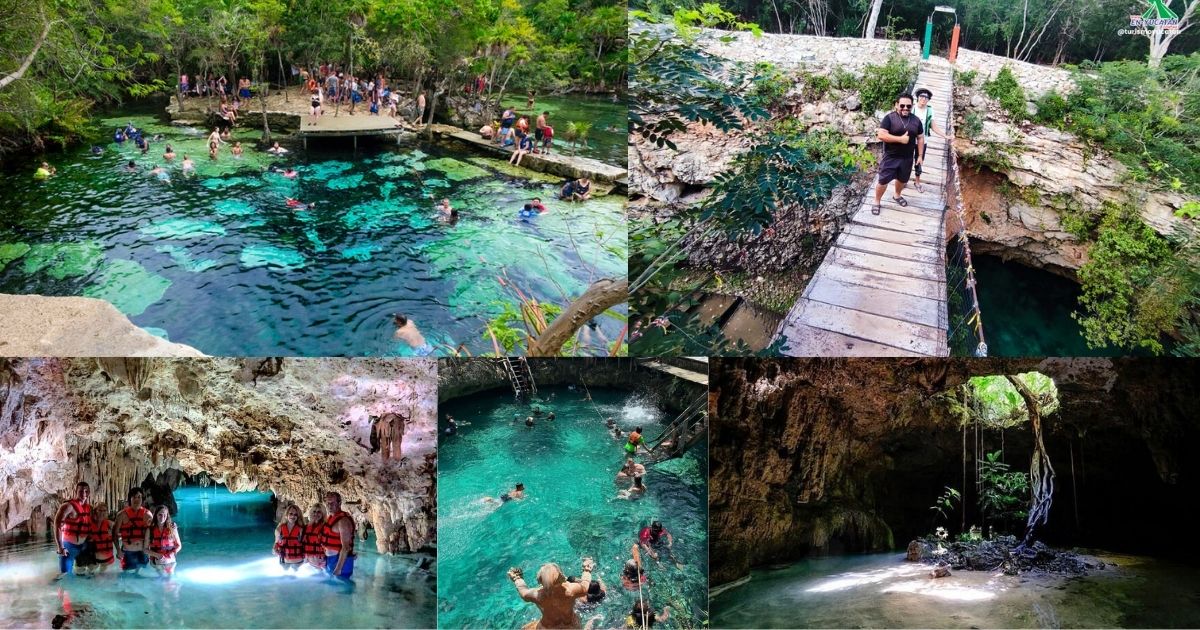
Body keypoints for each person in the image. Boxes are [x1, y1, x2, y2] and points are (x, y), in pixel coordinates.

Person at [872, 92, 924, 215]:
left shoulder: (916, 121)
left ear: (912, 106)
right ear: (896, 105)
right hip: (891, 156)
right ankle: (876, 201)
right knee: (883, 181)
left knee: (902, 179)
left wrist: (920, 156)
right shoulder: (889, 118)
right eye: (902, 105)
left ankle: (897, 195)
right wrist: (900, 139)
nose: (905, 108)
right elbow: (881, 135)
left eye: (908, 106)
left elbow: (920, 138)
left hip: (907, 158)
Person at [508, 559, 595, 629]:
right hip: (572, 626)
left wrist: (517, 578)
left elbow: (523, 592)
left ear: (540, 580)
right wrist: (586, 569)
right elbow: (585, 586)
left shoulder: (538, 595)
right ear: (561, 576)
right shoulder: (571, 590)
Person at [910, 87, 951, 194]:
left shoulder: (930, 110)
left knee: (919, 162)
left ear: (928, 100)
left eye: (926, 97)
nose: (923, 99)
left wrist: (945, 136)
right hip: (909, 140)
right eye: (922, 96)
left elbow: (933, 126)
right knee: (906, 161)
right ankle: (902, 179)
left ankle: (917, 182)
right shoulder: (911, 108)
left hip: (923, 141)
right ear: (918, 98)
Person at [53, 482, 92, 580]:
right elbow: (57, 525)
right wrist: (60, 547)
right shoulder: (68, 506)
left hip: (83, 546)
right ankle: (51, 588)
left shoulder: (88, 508)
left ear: (89, 492)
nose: (83, 494)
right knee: (64, 575)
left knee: (82, 573)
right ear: (76, 492)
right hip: (68, 546)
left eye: (86, 491)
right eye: (80, 491)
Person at [113, 487, 153, 573]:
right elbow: (114, 534)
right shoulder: (121, 515)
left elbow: (154, 534)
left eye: (139, 497)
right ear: (130, 498)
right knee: (127, 577)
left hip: (143, 552)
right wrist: (118, 550)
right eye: (134, 497)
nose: (136, 499)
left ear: (142, 499)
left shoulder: (148, 515)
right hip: (128, 551)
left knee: (140, 575)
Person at [322, 492, 356, 579]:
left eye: (332, 503)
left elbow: (346, 547)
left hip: (341, 564)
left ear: (339, 503)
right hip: (331, 560)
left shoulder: (343, 521)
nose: (329, 505)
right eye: (328, 503)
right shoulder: (330, 518)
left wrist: (338, 569)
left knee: (340, 589)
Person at [146, 505, 181, 576]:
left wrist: (172, 553)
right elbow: (145, 549)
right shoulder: (150, 530)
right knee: (162, 576)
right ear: (156, 515)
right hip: (156, 559)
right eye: (160, 515)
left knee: (170, 577)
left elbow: (179, 545)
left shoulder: (172, 528)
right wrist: (158, 555)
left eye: (164, 515)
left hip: (170, 559)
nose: (162, 517)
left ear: (167, 516)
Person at [81, 502, 116, 575]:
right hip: (93, 558)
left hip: (106, 558)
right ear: (95, 511)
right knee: (90, 573)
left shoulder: (110, 524)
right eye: (100, 510)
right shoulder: (88, 524)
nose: (102, 513)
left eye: (104, 511)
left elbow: (121, 533)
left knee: (102, 575)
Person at [274, 503, 306, 570]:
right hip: (284, 561)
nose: (293, 516)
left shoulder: (301, 530)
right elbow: (276, 544)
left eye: (295, 515)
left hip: (298, 562)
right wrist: (275, 550)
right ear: (286, 515)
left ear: (298, 517)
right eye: (291, 514)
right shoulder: (279, 529)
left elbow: (305, 545)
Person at [303, 504, 327, 570]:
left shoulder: (326, 527)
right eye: (314, 511)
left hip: (322, 562)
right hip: (309, 562)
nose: (316, 514)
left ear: (323, 514)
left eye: (319, 512)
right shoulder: (306, 527)